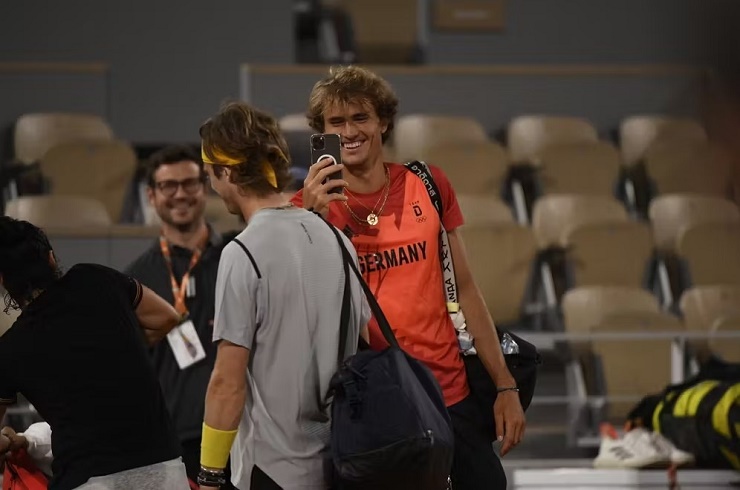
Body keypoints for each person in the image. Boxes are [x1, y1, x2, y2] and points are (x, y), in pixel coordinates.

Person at [291, 65, 526, 489]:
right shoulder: (304, 209)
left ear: (383, 122)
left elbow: (466, 291)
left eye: (360, 117)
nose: (350, 131)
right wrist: (311, 220)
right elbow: (302, 311)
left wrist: (505, 386)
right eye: (336, 122)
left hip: (450, 395)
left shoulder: (429, 184)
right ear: (321, 132)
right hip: (374, 406)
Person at [197, 101, 370, 490]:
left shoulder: (241, 252)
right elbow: (359, 341)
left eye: (211, 175)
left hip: (271, 470)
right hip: (337, 467)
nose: (212, 186)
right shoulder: (339, 241)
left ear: (227, 172)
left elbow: (227, 382)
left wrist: (209, 474)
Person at [0, 216, 189, 490]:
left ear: (4, 280)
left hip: (88, 478)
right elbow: (167, 317)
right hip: (163, 470)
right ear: (50, 258)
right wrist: (118, 349)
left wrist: (10, 440)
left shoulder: (10, 347)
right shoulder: (96, 278)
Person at [124, 145, 237, 488]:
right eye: (168, 186)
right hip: (172, 443)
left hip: (240, 432)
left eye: (189, 183)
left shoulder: (237, 257)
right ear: (151, 195)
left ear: (205, 187)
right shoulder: (134, 280)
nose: (180, 194)